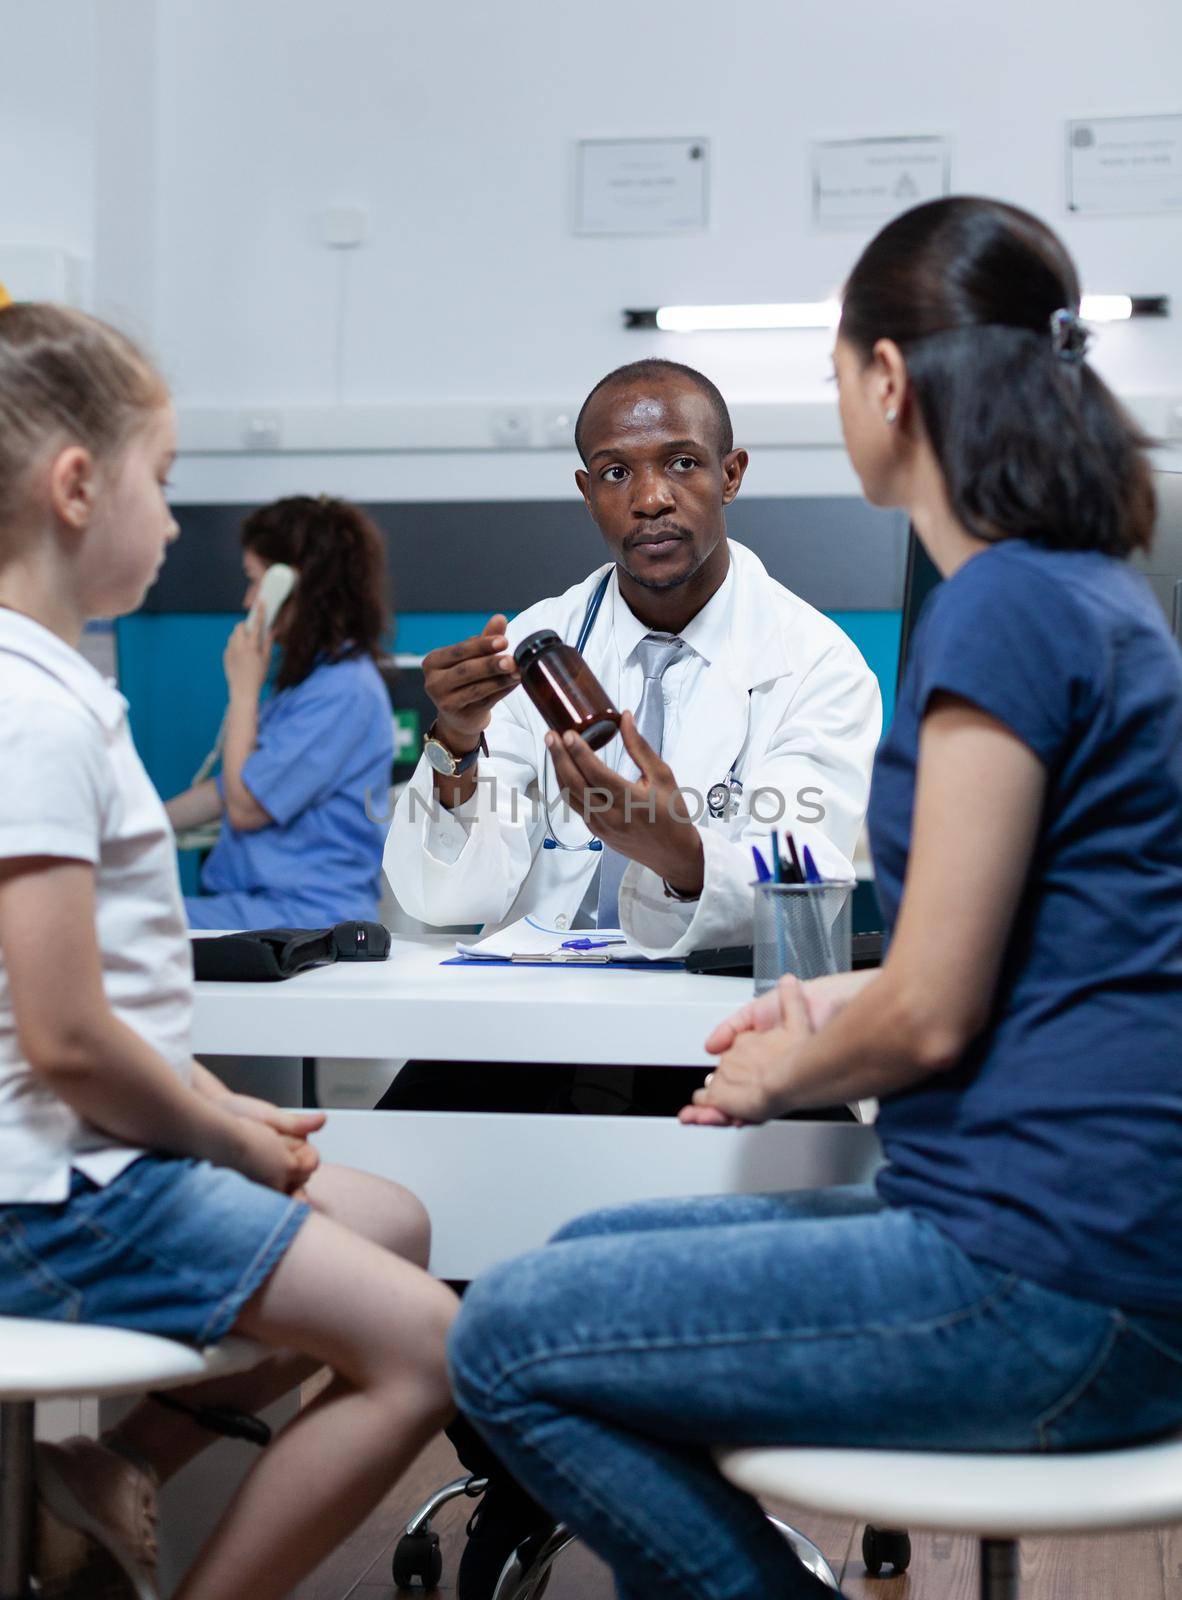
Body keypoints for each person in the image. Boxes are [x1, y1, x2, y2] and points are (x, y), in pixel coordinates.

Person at [445, 195, 1182, 1600]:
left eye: (837, 372)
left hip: (1047, 1277)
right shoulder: (1083, 592)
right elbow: (1027, 950)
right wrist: (835, 995)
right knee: (586, 1247)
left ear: (887, 384)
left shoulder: (1000, 611)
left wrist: (796, 1058)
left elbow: (924, 1019)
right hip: (1095, 1243)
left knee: (503, 1339)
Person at [0, 302, 457, 1600]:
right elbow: (66, 1039)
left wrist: (208, 1097)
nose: (174, 523)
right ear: (78, 488)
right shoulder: (29, 714)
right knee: (430, 1351)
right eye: (167, 481)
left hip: (69, 1159)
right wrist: (224, 1138)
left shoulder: (55, 691)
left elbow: (84, 1015)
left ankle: (115, 1463)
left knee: (393, 1220)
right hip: (50, 1199)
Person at [380, 360, 881, 1115]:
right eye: (616, 472)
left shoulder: (816, 664)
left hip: (721, 1024)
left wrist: (671, 849)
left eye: (682, 462)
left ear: (731, 474)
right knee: (397, 1166)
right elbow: (451, 895)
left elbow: (803, 897)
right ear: (588, 495)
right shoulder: (535, 646)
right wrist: (456, 739)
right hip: (538, 1024)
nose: (650, 498)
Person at [166, 494, 394, 930]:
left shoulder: (344, 691)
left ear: (292, 585)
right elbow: (231, 786)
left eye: (255, 581)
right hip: (257, 908)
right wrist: (123, 834)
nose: (249, 600)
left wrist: (244, 691)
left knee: (112, 926)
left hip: (302, 919)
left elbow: (246, 806)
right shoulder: (311, 682)